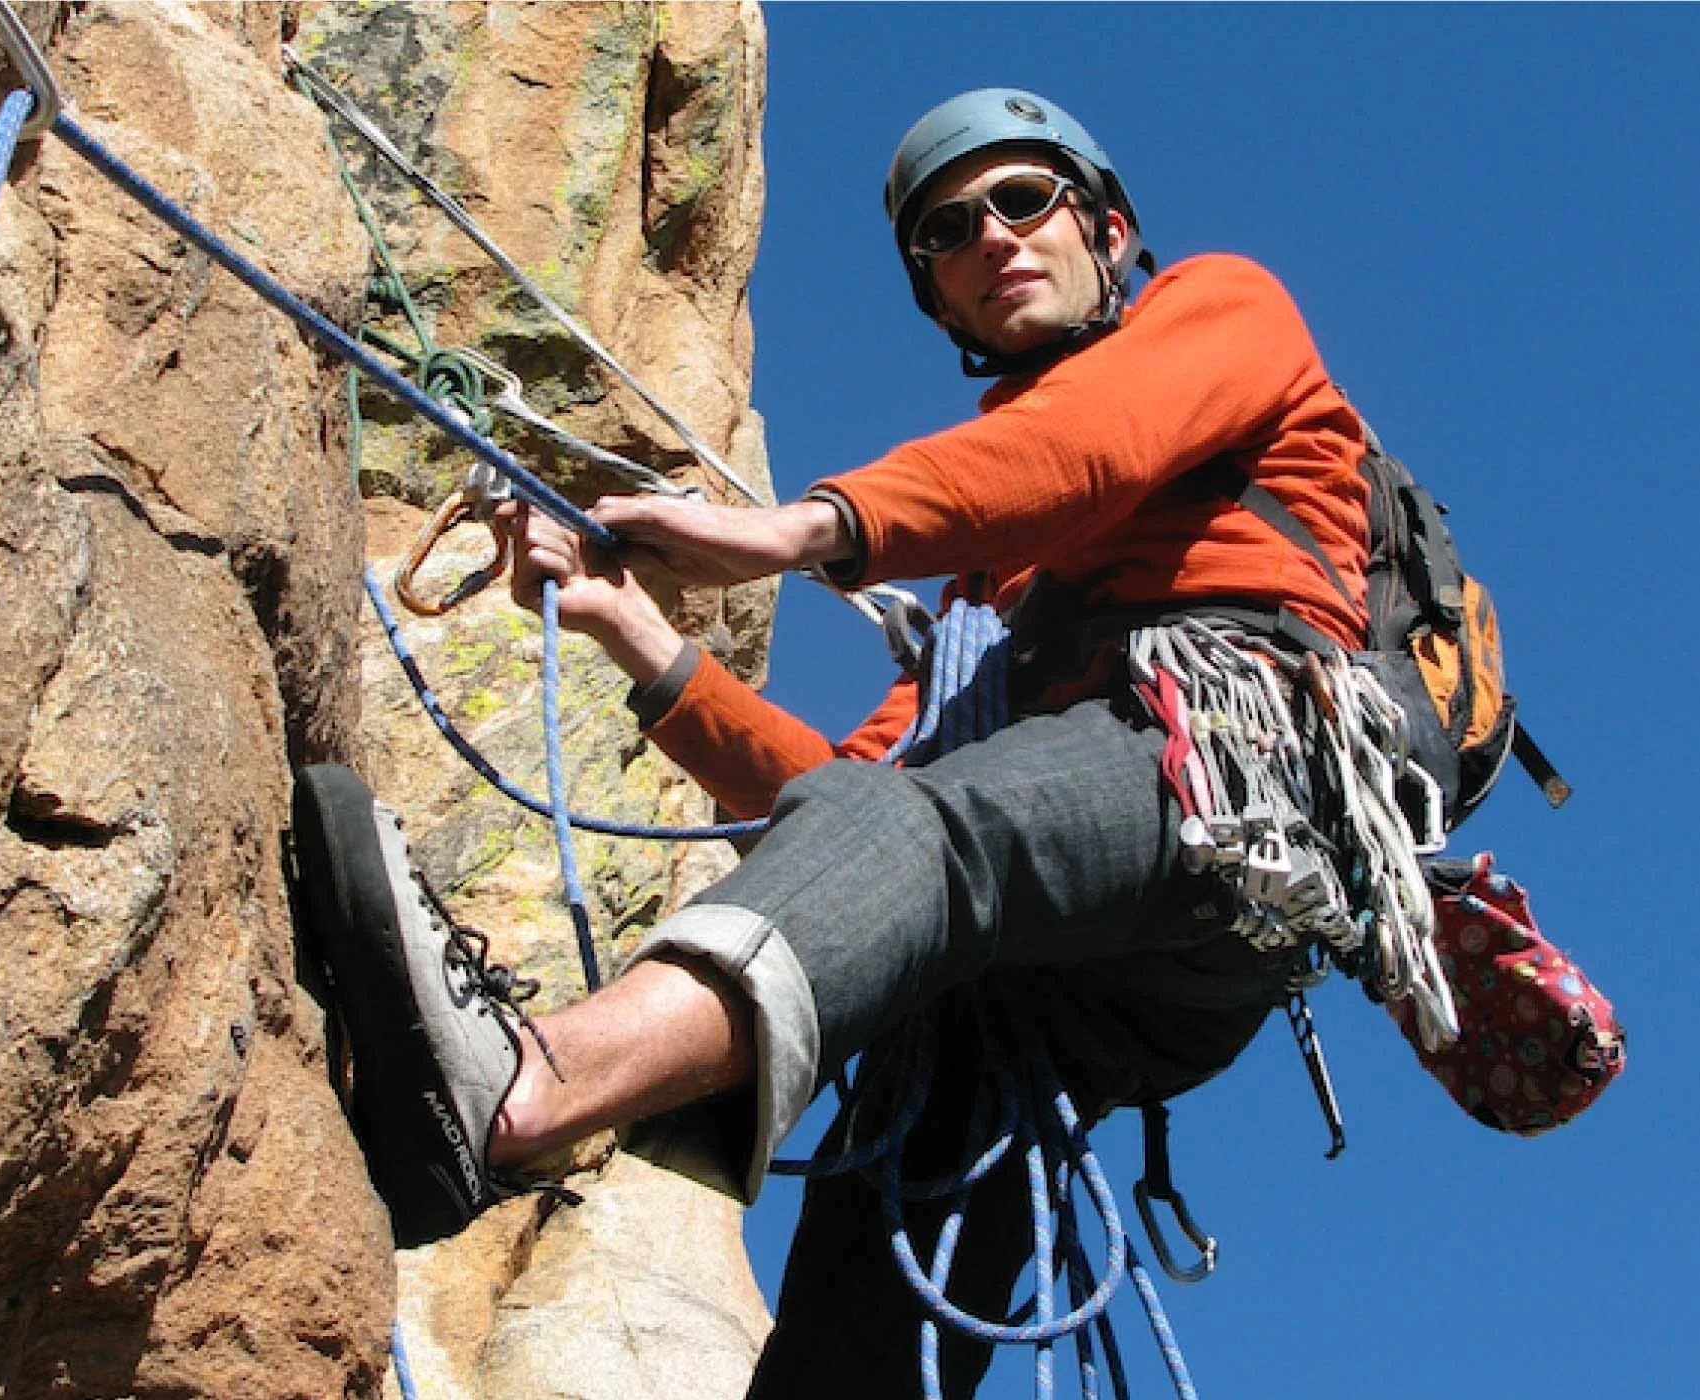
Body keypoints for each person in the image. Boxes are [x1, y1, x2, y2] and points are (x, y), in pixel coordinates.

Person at [287, 87, 1376, 1396]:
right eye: (947, 233)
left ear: (1109, 227)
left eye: (1022, 201)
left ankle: (531, 1084)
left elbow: (1089, 440)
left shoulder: (1221, 309)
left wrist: (802, 530)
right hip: (1036, 963)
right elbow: (842, 808)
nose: (990, 239)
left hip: (1233, 767)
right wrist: (634, 634)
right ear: (938, 295)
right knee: (854, 1315)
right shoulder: (991, 609)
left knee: (937, 837)